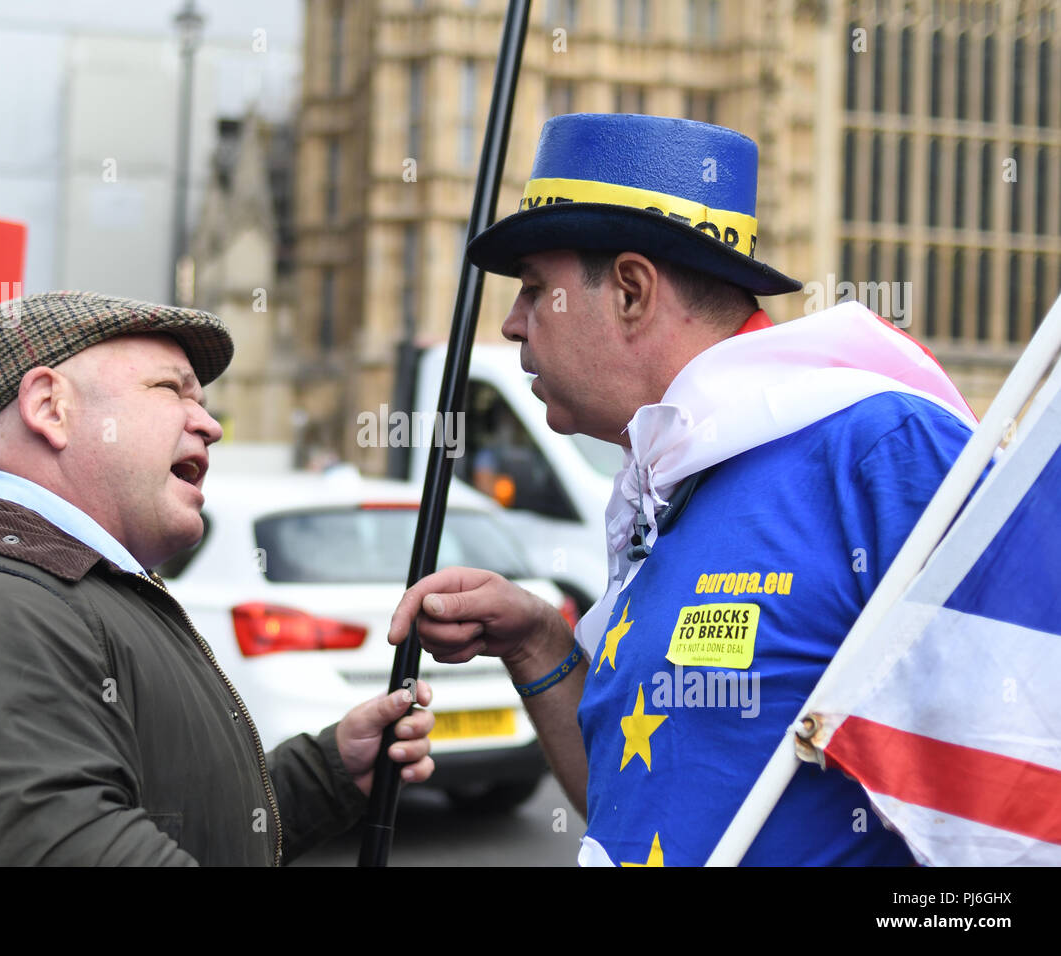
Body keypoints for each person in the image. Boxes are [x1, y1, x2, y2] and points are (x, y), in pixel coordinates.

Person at [389, 113, 978, 866]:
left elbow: (1017, 778)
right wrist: (538, 641)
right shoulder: (664, 484)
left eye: (536, 289)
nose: (511, 323)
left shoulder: (881, 448)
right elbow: (633, 794)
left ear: (632, 290)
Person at [0, 290, 435, 865]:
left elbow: (161, 816)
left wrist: (323, 775)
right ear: (49, 407)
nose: (210, 425)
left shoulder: (63, 588)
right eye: (173, 390)